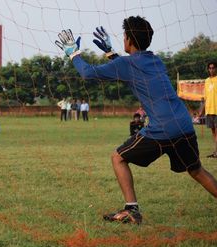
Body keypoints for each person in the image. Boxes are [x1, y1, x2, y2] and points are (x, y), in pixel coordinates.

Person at [56, 16, 217, 224]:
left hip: (162, 128)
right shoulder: (155, 60)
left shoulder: (127, 63)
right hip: (184, 124)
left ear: (129, 40)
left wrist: (74, 54)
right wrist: (112, 54)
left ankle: (131, 210)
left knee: (118, 158)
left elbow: (88, 73)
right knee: (196, 170)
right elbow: (132, 70)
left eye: (124, 36)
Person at [200, 62, 217, 158]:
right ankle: (215, 152)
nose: (211, 70)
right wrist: (201, 111)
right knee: (213, 133)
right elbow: (205, 97)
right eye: (209, 68)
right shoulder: (206, 81)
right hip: (209, 111)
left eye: (213, 68)